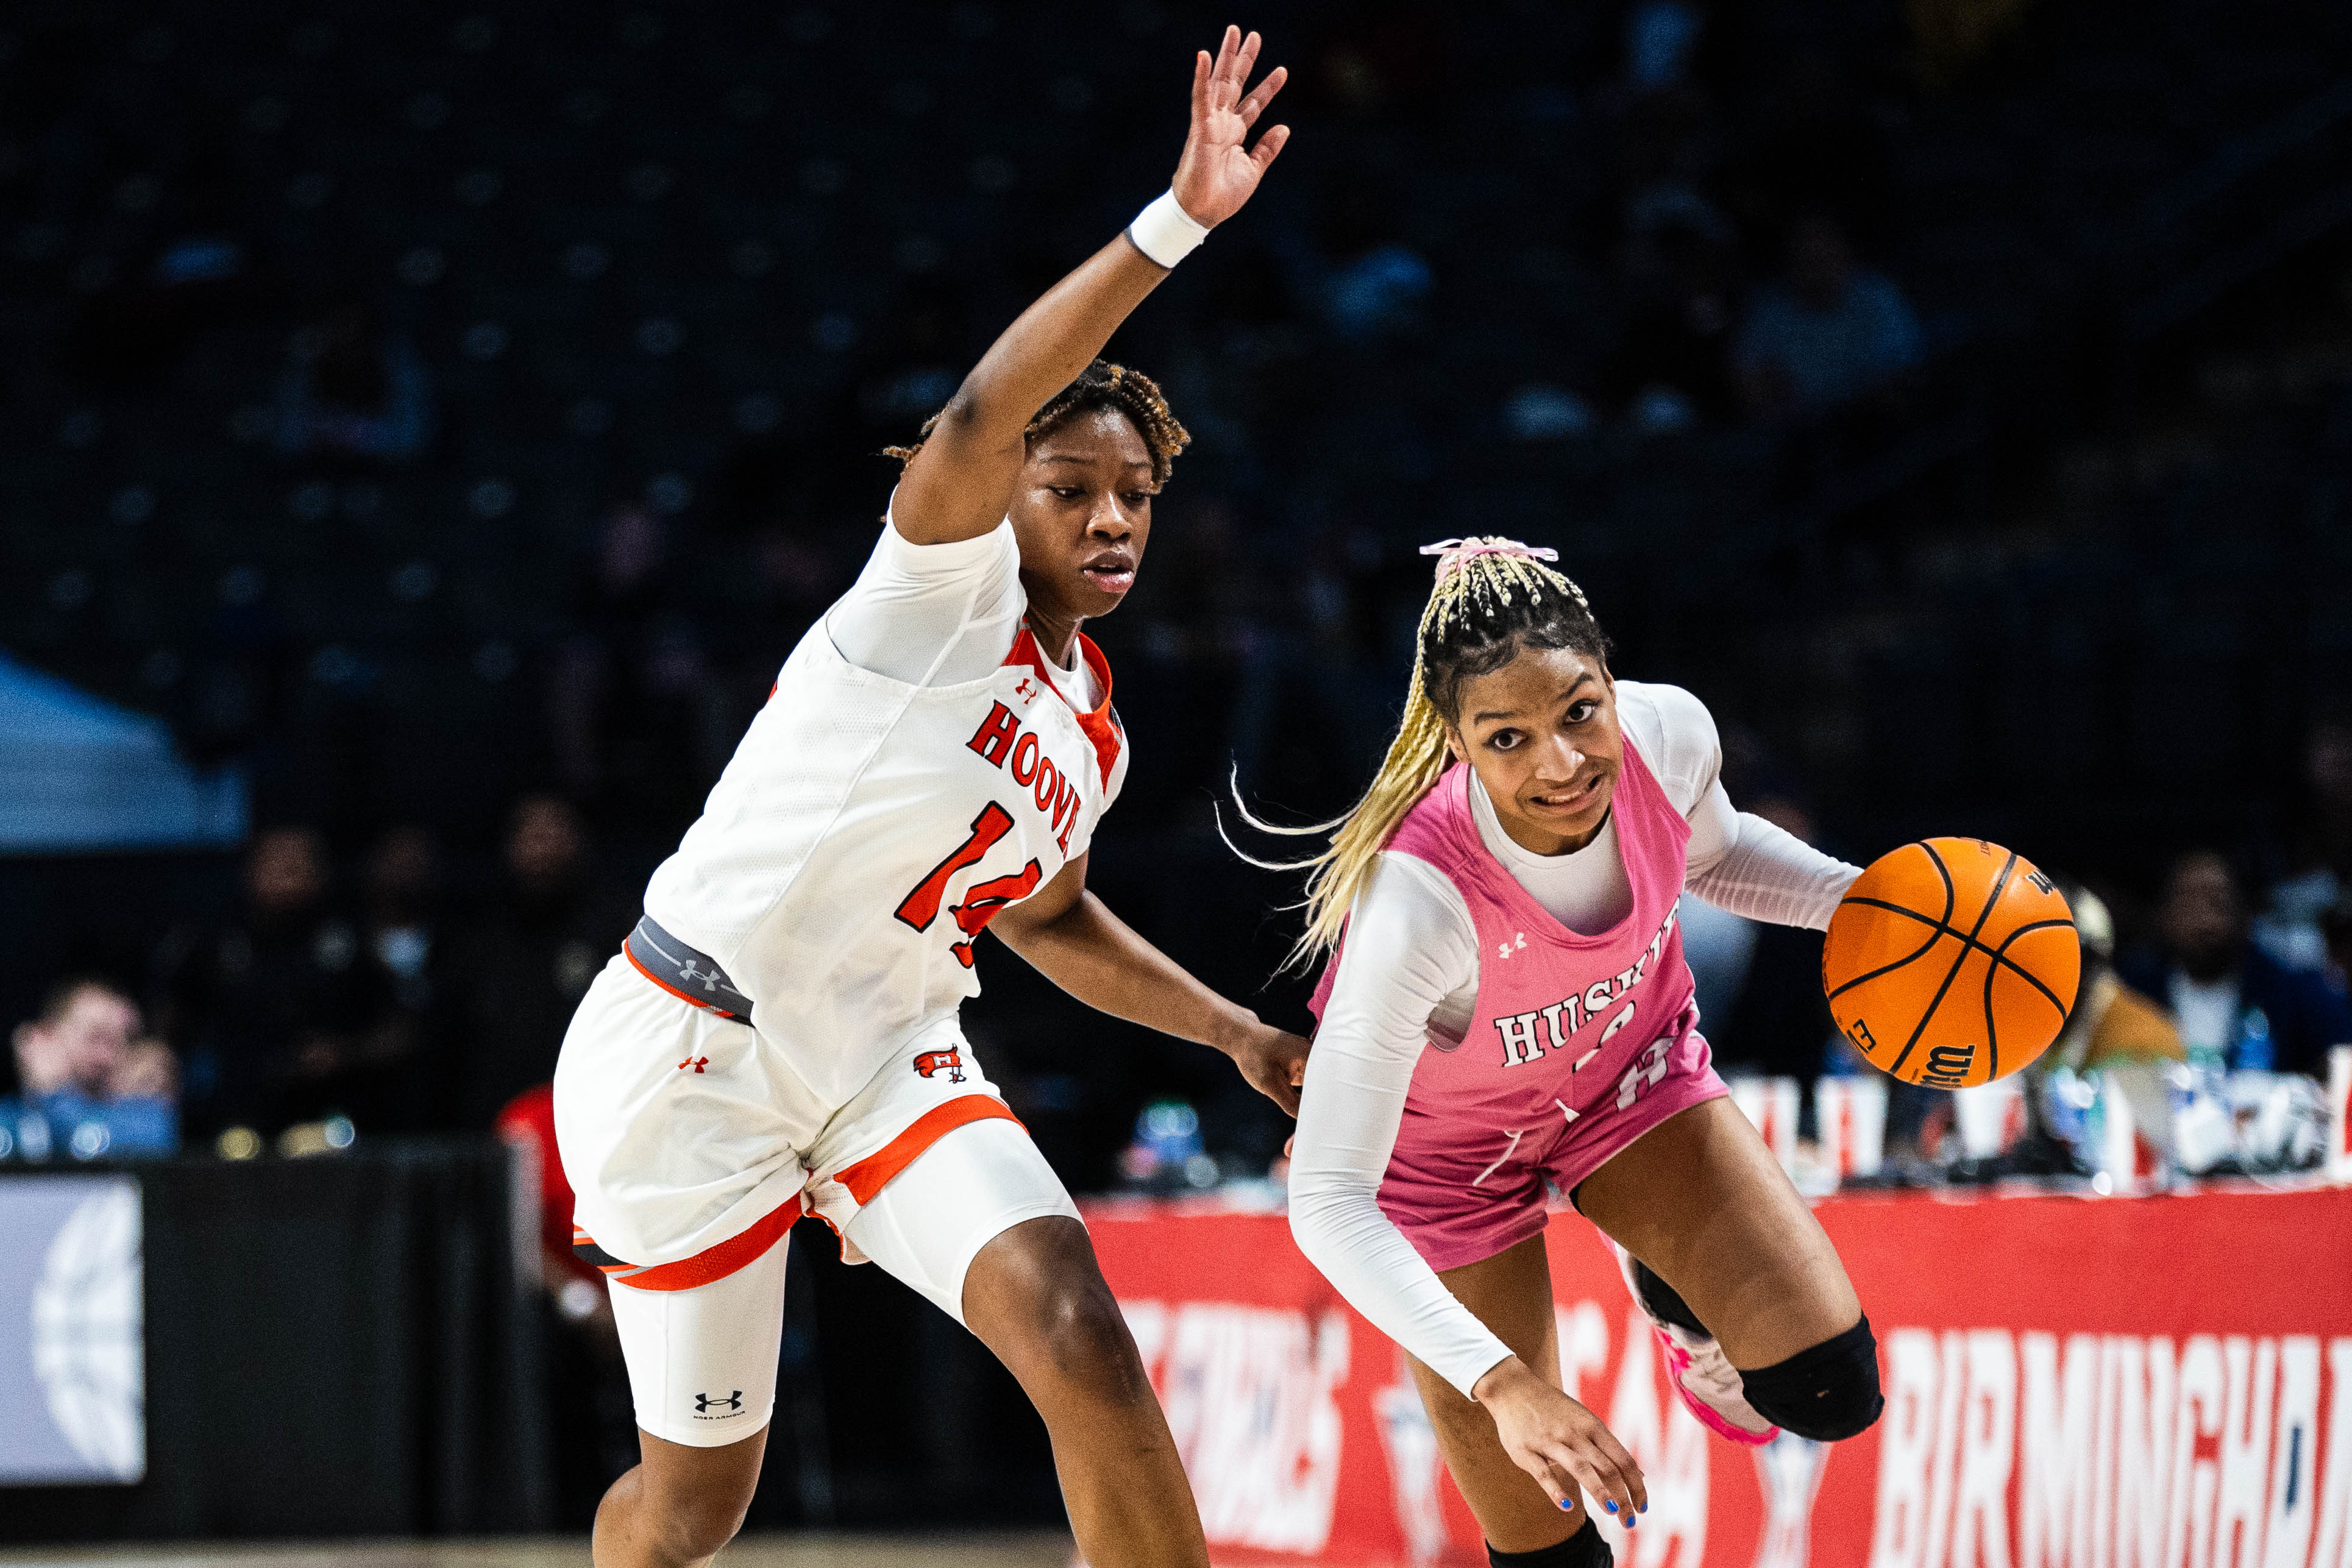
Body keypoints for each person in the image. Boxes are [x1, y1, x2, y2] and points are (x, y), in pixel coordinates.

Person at [552, 30, 1298, 1568]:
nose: (1110, 516)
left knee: (1081, 1330)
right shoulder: (930, 600)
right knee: (692, 1509)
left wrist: (1234, 1029)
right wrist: (1177, 223)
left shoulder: (1092, 729)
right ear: (1000, 494)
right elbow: (972, 415)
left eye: (1136, 495)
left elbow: (1048, 911)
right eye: (1072, 484)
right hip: (694, 1051)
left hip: (890, 1053)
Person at [1242, 538, 1883, 1567]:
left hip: (1626, 1083)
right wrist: (1501, 1382)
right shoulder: (1414, 901)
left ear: (1607, 674)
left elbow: (1715, 854)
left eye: (1579, 711)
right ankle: (1632, 1269)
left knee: (1828, 1391)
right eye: (1507, 737)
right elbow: (1323, 1198)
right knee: (1548, 1554)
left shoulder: (1667, 733)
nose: (1559, 762)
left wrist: (1866, 905)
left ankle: (1671, 1287)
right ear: (1456, 741)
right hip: (1444, 1172)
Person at [2117, 850, 2352, 1079]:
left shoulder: (2287, 992)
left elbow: (2341, 1050)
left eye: (2216, 903)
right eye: (2188, 905)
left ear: (2244, 915)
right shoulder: (2136, 992)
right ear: (2164, 916)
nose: (2203, 923)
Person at [1732, 214, 1922, 420]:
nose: (1817, 268)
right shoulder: (1770, 314)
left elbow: (1901, 368)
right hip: (1807, 434)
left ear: (1844, 252)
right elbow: (1750, 381)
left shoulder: (1876, 296)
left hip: (1878, 422)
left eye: (1824, 255)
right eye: (1806, 258)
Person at [5, 977, 179, 1160]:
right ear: (46, 1037)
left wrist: (53, 1095)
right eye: (94, 1038)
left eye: (116, 1043)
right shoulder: (10, 1117)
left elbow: (87, 1142)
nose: (106, 1057)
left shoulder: (145, 1121)